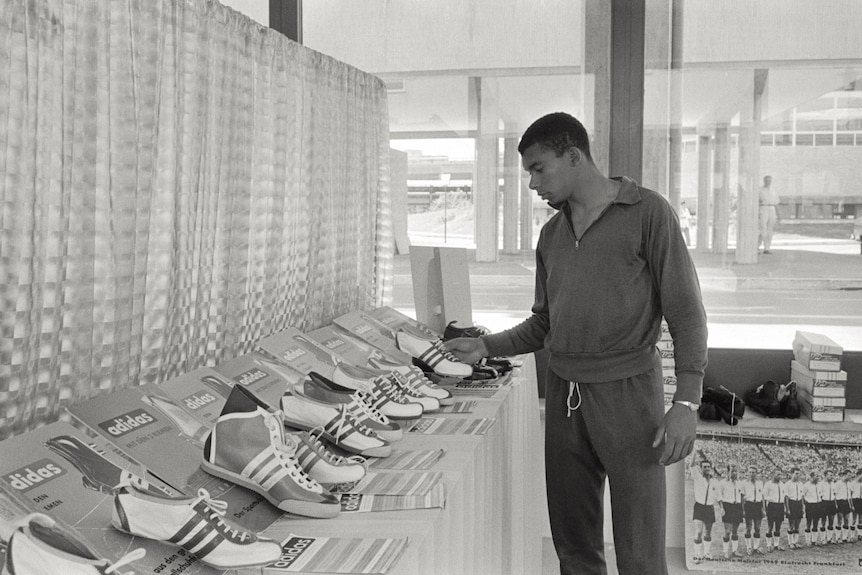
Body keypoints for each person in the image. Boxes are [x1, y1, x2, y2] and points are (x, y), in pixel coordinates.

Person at [441, 112, 709, 574]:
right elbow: (546, 324)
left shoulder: (648, 213)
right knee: (574, 546)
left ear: (574, 155)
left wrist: (686, 402)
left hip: (630, 397)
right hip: (566, 397)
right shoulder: (551, 235)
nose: (532, 184)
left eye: (538, 168)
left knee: (641, 552)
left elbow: (686, 313)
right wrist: (487, 348)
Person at [690, 458, 718, 563]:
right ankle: (697, 555)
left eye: (708, 467)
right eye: (704, 467)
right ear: (701, 468)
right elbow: (692, 464)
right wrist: (694, 452)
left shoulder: (714, 481)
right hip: (699, 507)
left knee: (708, 532)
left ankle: (707, 553)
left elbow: (718, 495)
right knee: (698, 532)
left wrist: (722, 507)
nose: (706, 468)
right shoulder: (697, 477)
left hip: (709, 508)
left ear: (710, 468)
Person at [719, 463, 745, 559]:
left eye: (735, 471)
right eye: (732, 471)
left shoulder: (739, 483)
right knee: (728, 531)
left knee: (735, 531)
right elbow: (719, 497)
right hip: (728, 506)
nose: (734, 473)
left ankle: (735, 551)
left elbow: (742, 497)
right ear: (728, 472)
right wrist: (722, 508)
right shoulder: (723, 483)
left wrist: (742, 509)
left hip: (737, 507)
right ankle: (725, 551)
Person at [741, 465, 765, 554]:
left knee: (757, 528)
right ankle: (749, 547)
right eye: (750, 472)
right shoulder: (744, 483)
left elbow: (762, 497)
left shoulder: (760, 483)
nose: (751, 474)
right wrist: (743, 510)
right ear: (748, 473)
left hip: (758, 506)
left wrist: (763, 509)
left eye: (753, 472)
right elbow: (742, 497)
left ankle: (756, 546)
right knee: (748, 528)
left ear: (756, 473)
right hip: (749, 505)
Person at [763, 470, 785, 552]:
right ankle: (769, 545)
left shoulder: (782, 484)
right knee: (770, 526)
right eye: (778, 474)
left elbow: (784, 496)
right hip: (772, 505)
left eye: (780, 474)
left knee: (778, 526)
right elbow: (764, 497)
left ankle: (776, 544)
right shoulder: (768, 484)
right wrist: (764, 509)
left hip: (780, 506)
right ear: (773, 475)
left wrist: (785, 507)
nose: (779, 476)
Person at [783, 466, 805, 549]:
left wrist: (803, 507)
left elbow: (802, 496)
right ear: (791, 474)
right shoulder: (787, 484)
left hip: (798, 503)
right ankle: (790, 542)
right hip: (791, 504)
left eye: (799, 474)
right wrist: (787, 508)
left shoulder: (800, 484)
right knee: (791, 524)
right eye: (796, 474)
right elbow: (786, 497)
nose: (798, 475)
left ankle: (795, 542)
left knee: (797, 524)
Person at [758, 175, 779, 254]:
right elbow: (757, 200)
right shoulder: (760, 190)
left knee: (770, 229)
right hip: (763, 208)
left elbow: (776, 202)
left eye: (769, 180)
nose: (768, 182)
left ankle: (767, 248)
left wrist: (778, 215)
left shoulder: (774, 190)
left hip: (772, 208)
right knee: (763, 228)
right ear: (764, 181)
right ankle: (758, 245)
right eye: (766, 180)